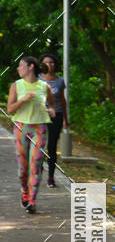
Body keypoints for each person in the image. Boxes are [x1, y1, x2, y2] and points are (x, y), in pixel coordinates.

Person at [7, 56, 55, 213]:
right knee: (23, 169)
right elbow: (10, 109)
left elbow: (52, 104)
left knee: (36, 164)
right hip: (21, 128)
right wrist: (24, 100)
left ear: (30, 67)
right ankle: (25, 193)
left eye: (21, 65)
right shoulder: (17, 86)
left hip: (39, 129)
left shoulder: (44, 86)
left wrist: (51, 110)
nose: (18, 68)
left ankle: (32, 201)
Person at [40, 53, 69, 187]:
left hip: (55, 116)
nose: (49, 65)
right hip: (39, 115)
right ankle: (37, 172)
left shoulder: (59, 81)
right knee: (39, 144)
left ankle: (51, 177)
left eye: (51, 62)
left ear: (55, 64)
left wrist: (65, 119)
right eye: (46, 62)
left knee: (52, 147)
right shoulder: (37, 79)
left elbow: (63, 101)